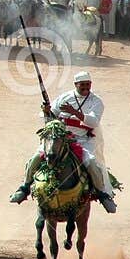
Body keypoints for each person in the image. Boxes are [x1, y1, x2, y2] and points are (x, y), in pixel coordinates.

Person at [9, 71, 117, 213]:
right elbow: (49, 119)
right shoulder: (64, 97)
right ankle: (24, 188)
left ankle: (103, 195)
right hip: (60, 139)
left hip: (82, 140)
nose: (86, 87)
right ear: (75, 84)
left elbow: (93, 121)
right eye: (82, 85)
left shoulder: (96, 101)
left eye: (88, 84)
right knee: (36, 157)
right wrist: (47, 111)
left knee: (91, 162)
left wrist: (75, 112)